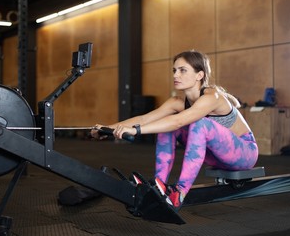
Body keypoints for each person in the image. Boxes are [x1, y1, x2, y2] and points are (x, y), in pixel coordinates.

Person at [91, 50, 258, 210]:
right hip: (216, 155)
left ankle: (180, 192)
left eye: (182, 70)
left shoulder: (212, 97)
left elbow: (178, 121)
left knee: (196, 124)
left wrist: (136, 131)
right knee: (166, 126)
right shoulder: (177, 102)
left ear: (199, 75)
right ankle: (159, 185)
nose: (175, 75)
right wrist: (107, 128)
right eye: (174, 70)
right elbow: (144, 118)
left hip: (244, 154)